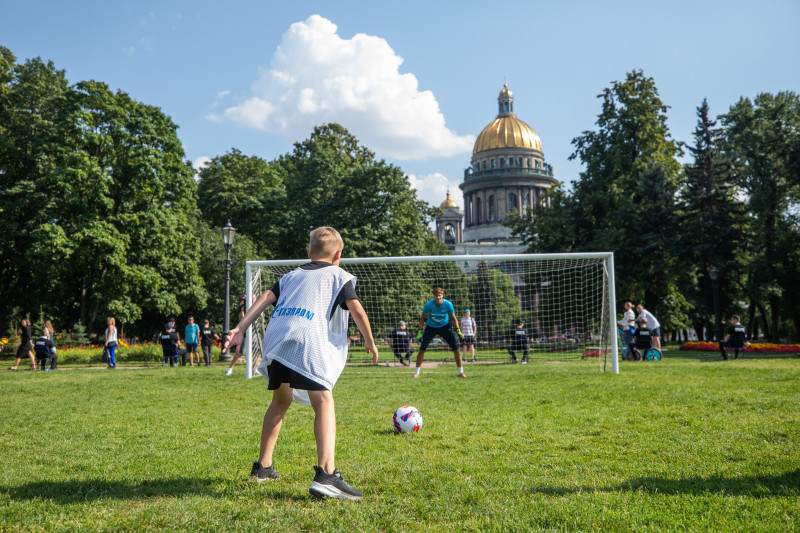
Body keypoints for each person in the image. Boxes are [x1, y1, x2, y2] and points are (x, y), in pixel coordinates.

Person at [223, 226, 378, 500]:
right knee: (324, 401)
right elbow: (356, 307)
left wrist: (239, 328)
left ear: (309, 252)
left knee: (280, 401)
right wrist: (370, 340)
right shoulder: (338, 275)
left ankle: (263, 467)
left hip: (278, 340)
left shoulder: (290, 276)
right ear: (338, 254)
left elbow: (264, 299)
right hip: (307, 341)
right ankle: (327, 475)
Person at [412, 286, 466, 378]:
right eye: (436, 295)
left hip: (444, 327)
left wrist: (458, 330)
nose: (438, 297)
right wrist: (420, 332)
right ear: (434, 296)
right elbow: (422, 318)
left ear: (443, 295)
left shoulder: (448, 304)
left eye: (440, 295)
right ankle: (416, 372)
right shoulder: (429, 304)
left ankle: (461, 372)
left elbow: (453, 318)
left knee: (456, 349)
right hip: (431, 327)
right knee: (422, 349)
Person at [225, 296, 250, 376]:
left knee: (257, 352)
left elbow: (261, 314)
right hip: (245, 332)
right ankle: (230, 368)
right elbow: (241, 318)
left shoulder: (257, 305)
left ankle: (254, 369)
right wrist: (242, 308)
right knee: (239, 352)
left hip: (255, 332)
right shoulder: (243, 310)